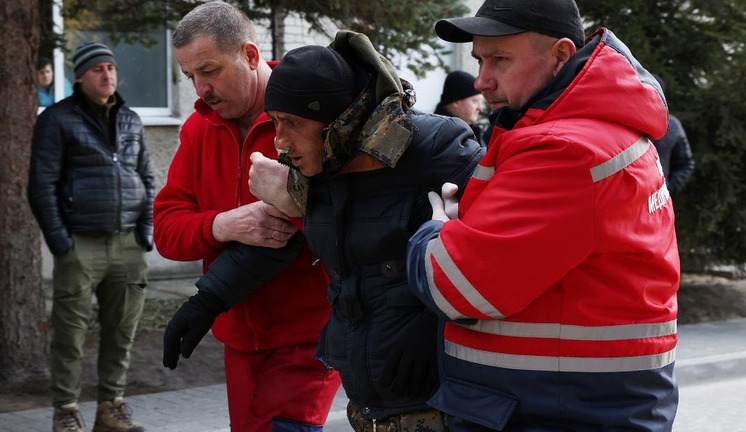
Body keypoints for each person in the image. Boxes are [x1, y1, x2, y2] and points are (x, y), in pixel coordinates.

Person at [185, 31, 484, 431]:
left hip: (438, 398)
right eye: (274, 122)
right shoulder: (322, 164)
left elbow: (497, 251)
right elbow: (281, 238)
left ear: (338, 120)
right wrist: (205, 302)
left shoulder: (433, 148)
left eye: (292, 123)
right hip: (368, 400)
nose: (280, 141)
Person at [405, 0, 681, 430]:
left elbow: (456, 285)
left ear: (561, 55)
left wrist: (436, 229)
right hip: (578, 404)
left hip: (549, 410)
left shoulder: (565, 148)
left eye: (500, 59)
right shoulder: (599, 129)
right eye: (479, 59)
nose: (482, 80)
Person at [152, 2, 341, 431]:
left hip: (310, 335)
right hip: (237, 336)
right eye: (190, 77)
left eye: (210, 71)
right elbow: (165, 230)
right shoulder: (198, 129)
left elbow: (345, 217)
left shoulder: (312, 114)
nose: (201, 89)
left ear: (250, 56)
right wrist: (224, 224)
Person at [28, 42, 154, 432]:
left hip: (128, 243)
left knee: (122, 331)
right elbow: (41, 185)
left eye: (111, 68)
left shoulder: (131, 119)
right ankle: (66, 411)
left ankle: (110, 408)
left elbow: (148, 180)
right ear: (80, 76)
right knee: (70, 333)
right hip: (79, 244)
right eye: (98, 69)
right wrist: (61, 243)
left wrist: (145, 233)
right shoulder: (56, 119)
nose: (108, 75)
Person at [651, 74, 695, 193]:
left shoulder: (673, 126)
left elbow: (685, 164)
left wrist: (667, 189)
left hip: (659, 202)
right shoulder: (625, 122)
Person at [435, 70, 488, 146]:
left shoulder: (471, 131)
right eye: (475, 101)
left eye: (481, 102)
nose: (480, 108)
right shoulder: (441, 137)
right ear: (456, 101)